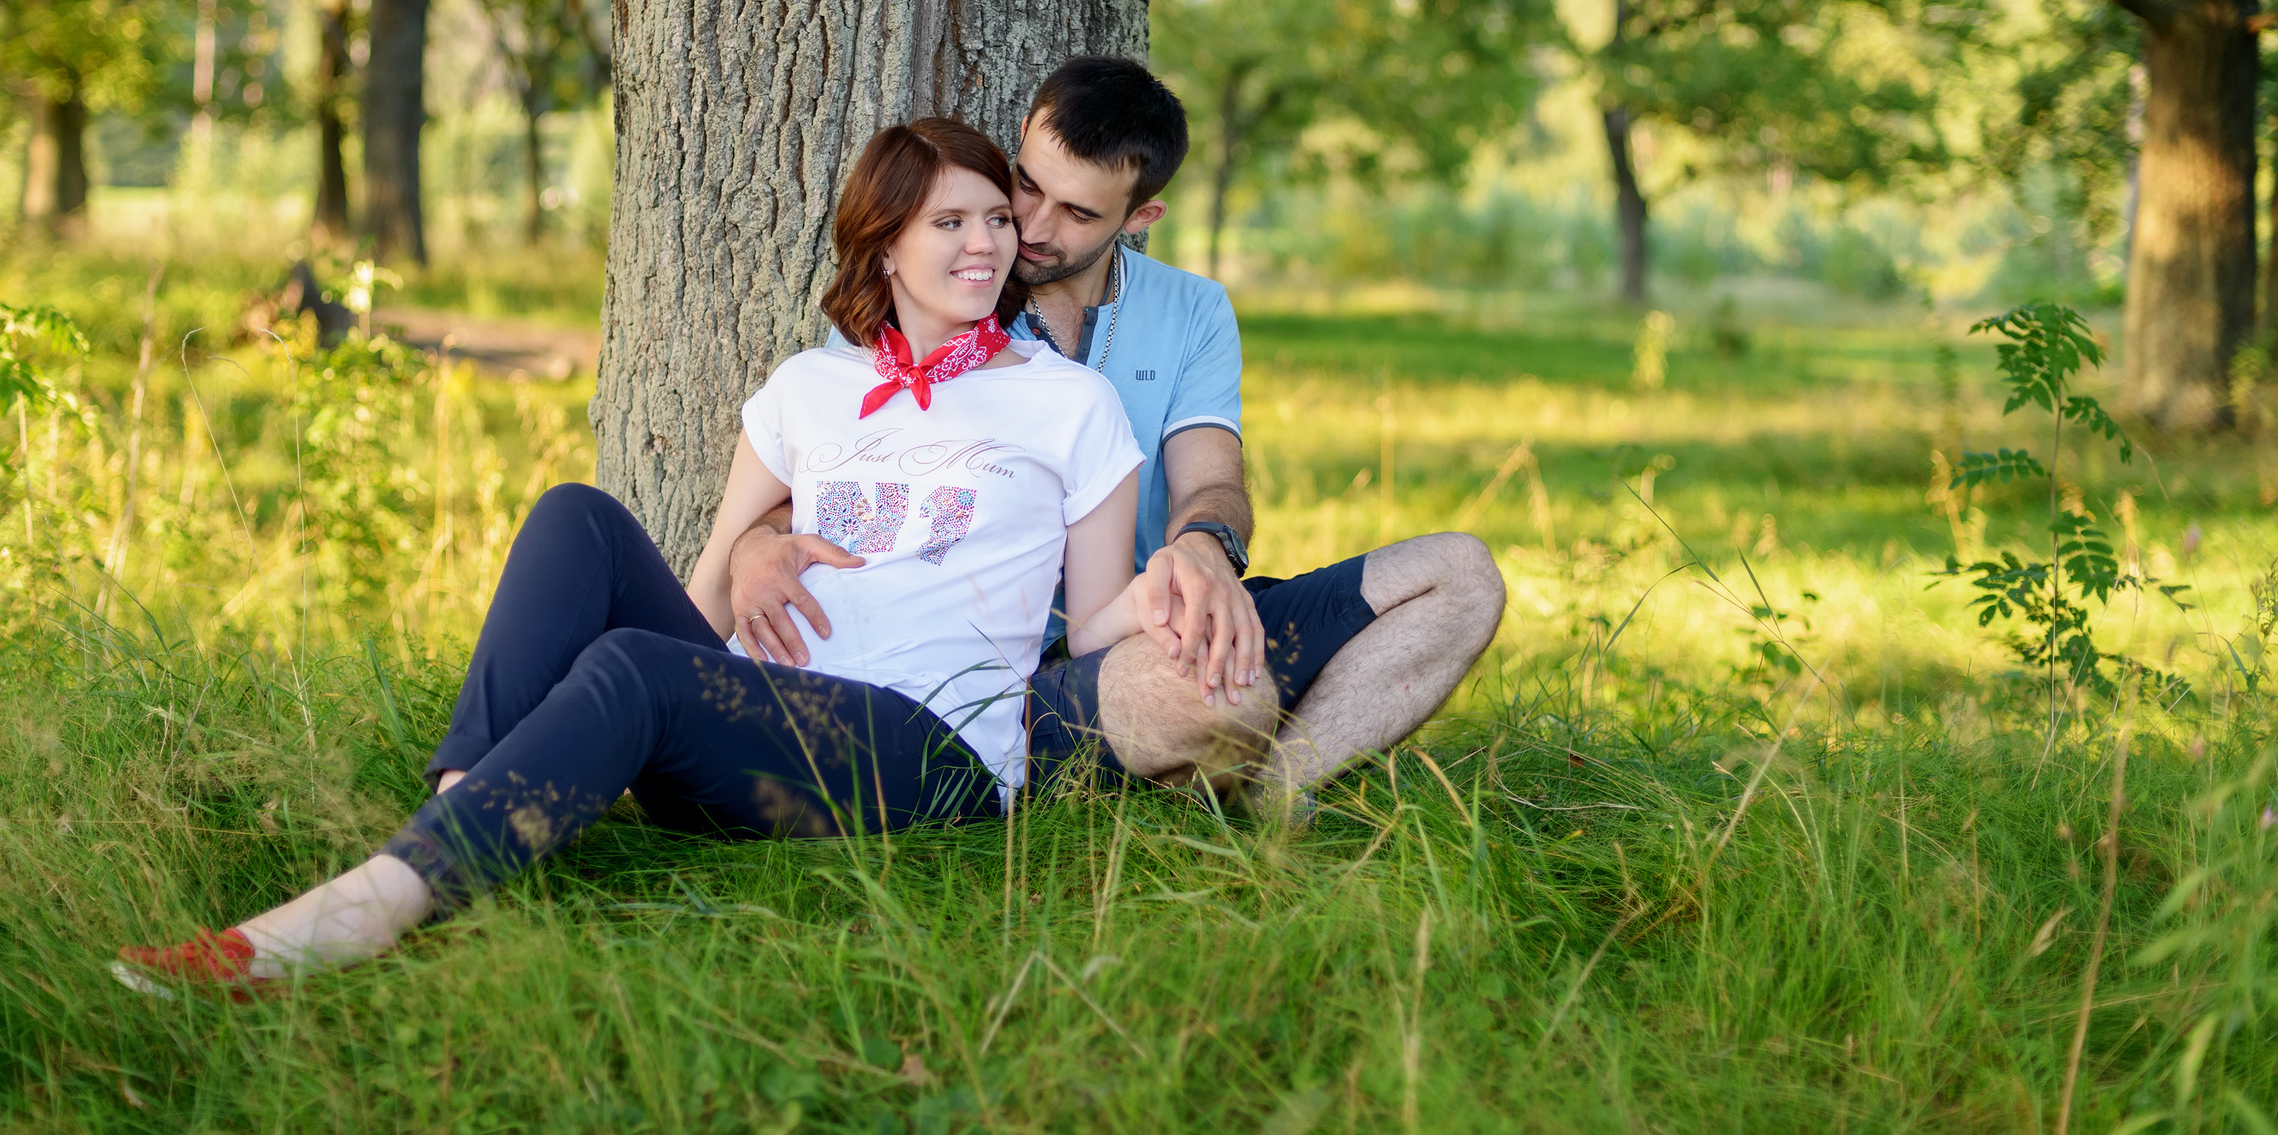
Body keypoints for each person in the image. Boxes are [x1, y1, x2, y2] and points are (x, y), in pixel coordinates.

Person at [114, 118, 1153, 994]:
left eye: (994, 219)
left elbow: (1097, 622)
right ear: (884, 246)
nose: (985, 244)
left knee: (632, 668)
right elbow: (707, 588)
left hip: (928, 751)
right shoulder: (809, 387)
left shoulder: (1068, 401)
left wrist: (1189, 581)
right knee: (578, 514)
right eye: (949, 221)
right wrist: (728, 598)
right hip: (759, 724)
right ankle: (462, 811)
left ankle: (368, 907)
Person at [725, 58, 1507, 815]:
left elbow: (1211, 480)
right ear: (1022, 134)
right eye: (1027, 185)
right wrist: (751, 546)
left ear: (1140, 218)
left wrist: (1203, 552)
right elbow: (816, 468)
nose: (1027, 227)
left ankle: (1279, 784)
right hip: (1002, 677)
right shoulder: (940, 288)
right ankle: (1204, 741)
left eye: (1079, 213)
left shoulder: (1193, 310)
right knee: (1227, 693)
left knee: (1460, 575)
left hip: (1140, 622)